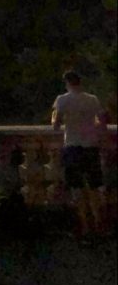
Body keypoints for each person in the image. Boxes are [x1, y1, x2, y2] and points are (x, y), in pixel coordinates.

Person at [51, 69, 107, 240]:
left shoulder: (62, 100)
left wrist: (54, 116)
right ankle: (98, 224)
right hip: (90, 147)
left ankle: (84, 226)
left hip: (73, 147)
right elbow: (102, 122)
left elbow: (56, 125)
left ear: (67, 83)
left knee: (77, 188)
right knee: (94, 187)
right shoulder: (92, 99)